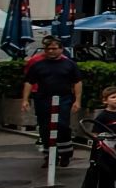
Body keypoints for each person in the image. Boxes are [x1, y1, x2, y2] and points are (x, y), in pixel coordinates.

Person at [22, 36, 83, 168]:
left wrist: (77, 101)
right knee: (45, 127)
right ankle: (49, 155)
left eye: (54, 48)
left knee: (62, 125)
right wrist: (25, 99)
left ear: (61, 49)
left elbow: (77, 82)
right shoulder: (37, 65)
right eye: (48, 49)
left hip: (64, 99)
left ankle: (65, 153)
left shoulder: (69, 64)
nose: (51, 51)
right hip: (43, 99)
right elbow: (29, 82)